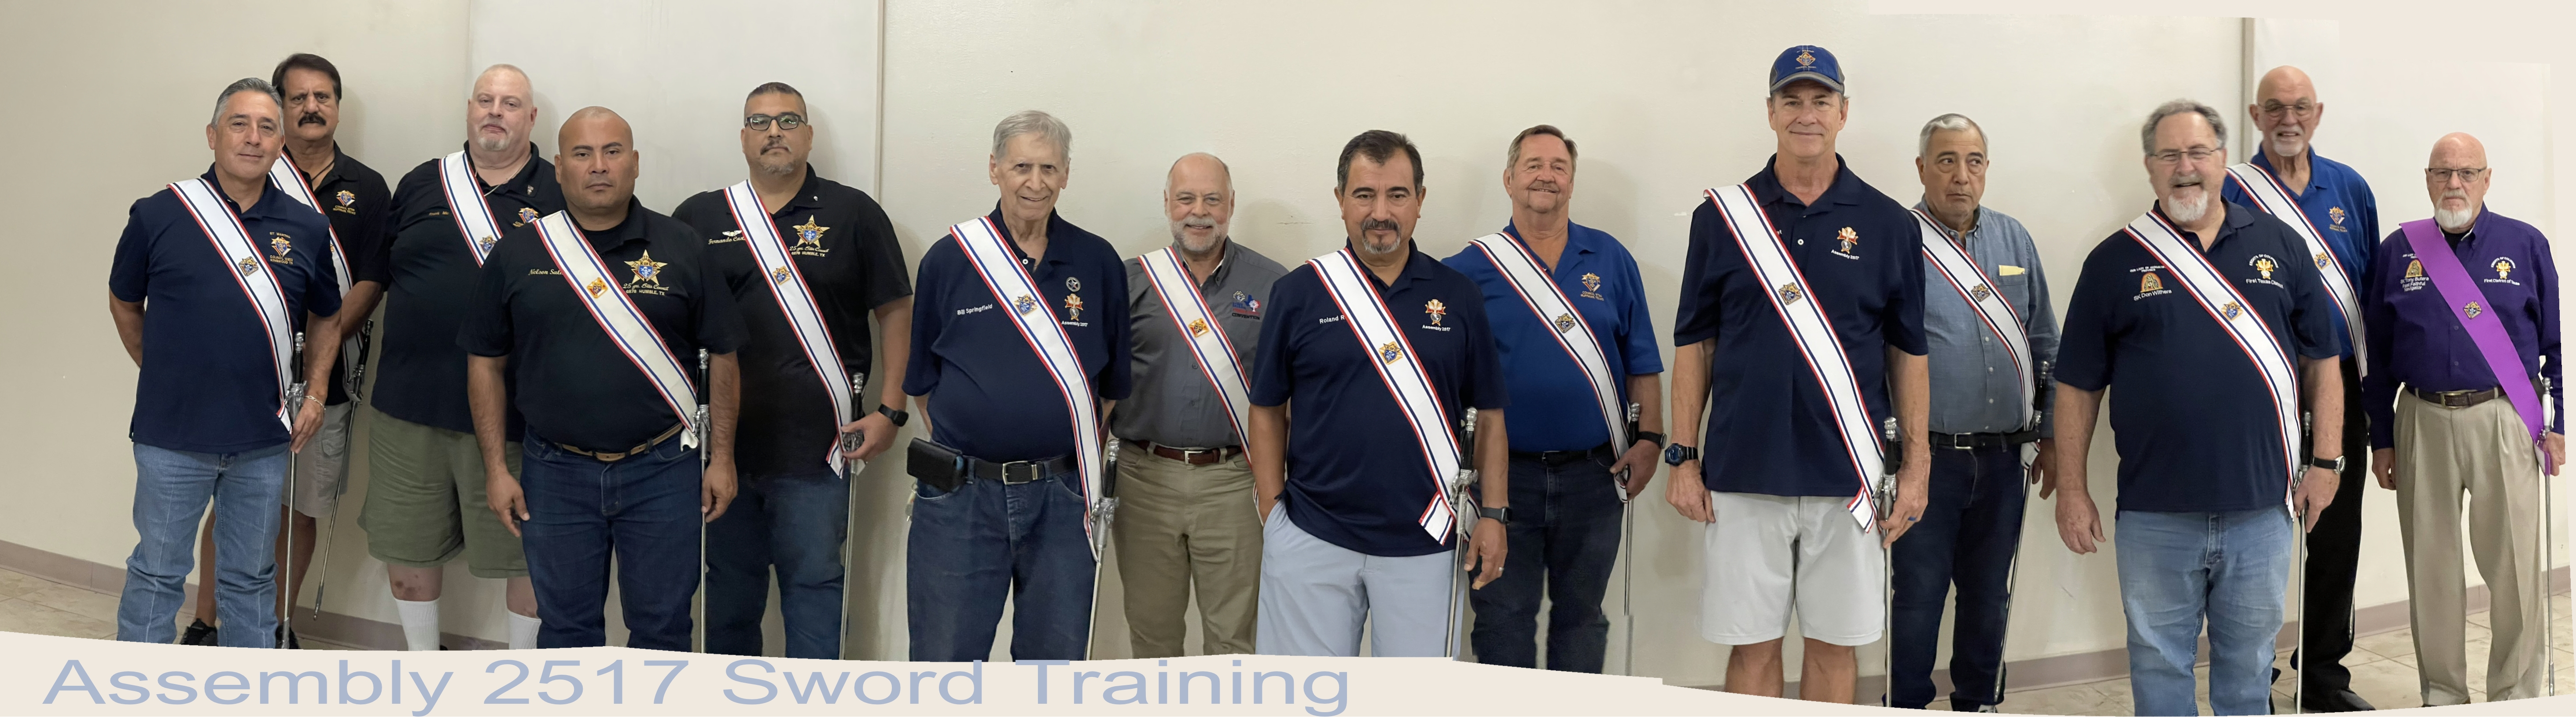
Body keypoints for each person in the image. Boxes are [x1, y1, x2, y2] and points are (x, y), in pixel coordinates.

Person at [2051, 99, 2344, 716]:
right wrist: (2073, 490)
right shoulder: (2113, 261)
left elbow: (2324, 362)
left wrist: (2328, 462)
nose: (2186, 168)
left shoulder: (2280, 245)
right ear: (2150, 167)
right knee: (2159, 669)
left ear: (2223, 160)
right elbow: (2077, 386)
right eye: (2170, 155)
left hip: (2262, 509)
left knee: (2247, 671)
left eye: (2200, 152)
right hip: (2156, 516)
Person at [1662, 45, 1930, 703]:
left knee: (1836, 646)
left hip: (1849, 475)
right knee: (1751, 647)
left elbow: (1909, 352)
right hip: (1743, 471)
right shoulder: (1722, 218)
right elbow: (1694, 345)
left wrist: (1918, 465)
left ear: (1843, 113)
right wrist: (1682, 457)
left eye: (1820, 101)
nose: (1806, 114)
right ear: (1771, 111)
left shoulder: (1891, 223)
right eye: (1792, 100)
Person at [461, 106, 746, 649]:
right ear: (560, 168)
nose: (598, 166)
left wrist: (724, 458)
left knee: (663, 629)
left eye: (612, 152)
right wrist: (496, 469)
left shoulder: (682, 246)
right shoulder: (520, 252)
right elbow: (485, 363)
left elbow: (725, 356)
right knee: (567, 631)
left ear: (634, 164)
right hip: (554, 472)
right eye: (583, 154)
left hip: (664, 470)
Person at [1248, 129, 1510, 658]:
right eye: (1364, 194)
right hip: (1312, 536)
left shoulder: (1456, 295)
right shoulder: (1298, 293)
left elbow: (1488, 416)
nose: (1380, 211)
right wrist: (1273, 508)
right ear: (1341, 200)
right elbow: (1267, 408)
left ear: (1419, 202)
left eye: (1397, 194)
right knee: (1304, 701)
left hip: (1426, 541)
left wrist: (1494, 513)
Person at [675, 81, 915, 660]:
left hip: (821, 446)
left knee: (815, 588)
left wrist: (891, 411)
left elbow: (897, 310)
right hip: (723, 450)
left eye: (788, 120)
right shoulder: (699, 216)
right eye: (759, 122)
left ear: (808, 135)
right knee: (729, 594)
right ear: (742, 138)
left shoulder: (853, 213)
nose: (774, 132)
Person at [107, 77, 344, 648]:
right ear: (214, 136)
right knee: (157, 575)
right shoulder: (159, 213)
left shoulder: (307, 228)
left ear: (280, 143)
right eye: (240, 124)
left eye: (268, 127)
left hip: (261, 443)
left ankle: (248, 696)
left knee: (249, 579)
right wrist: (160, 366)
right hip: (171, 439)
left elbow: (328, 318)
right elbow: (123, 301)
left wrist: (314, 395)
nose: (254, 138)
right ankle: (132, 695)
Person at [177, 53, 394, 649]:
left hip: (329, 377)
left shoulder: (369, 189)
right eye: (297, 98)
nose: (311, 107)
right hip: (246, 377)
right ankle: (208, 621)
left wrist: (319, 346)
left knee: (299, 508)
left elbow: (372, 281)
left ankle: (276, 626)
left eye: (323, 96)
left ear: (338, 107)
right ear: (277, 108)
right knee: (232, 500)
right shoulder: (243, 173)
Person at [902, 110, 1131, 661]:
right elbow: (923, 383)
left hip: (1063, 497)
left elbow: (1110, 388)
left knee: (1052, 670)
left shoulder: (1097, 261)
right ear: (994, 170)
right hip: (960, 496)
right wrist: (983, 439)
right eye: (1022, 166)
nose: (1036, 181)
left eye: (1049, 167)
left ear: (1066, 175)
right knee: (945, 665)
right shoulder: (951, 258)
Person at [1443, 125, 1663, 672]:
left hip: (1593, 474)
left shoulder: (1610, 258)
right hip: (1502, 481)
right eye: (1533, 164)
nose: (1546, 175)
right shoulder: (1466, 272)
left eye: (1558, 166)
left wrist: (1652, 441)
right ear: (1509, 178)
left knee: (1582, 617)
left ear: (1571, 181)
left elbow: (1642, 363)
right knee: (1501, 616)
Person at [361, 63, 556, 651]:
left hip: (517, 416)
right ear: (470, 109)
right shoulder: (422, 182)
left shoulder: (559, 191)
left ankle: (518, 680)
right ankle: (427, 671)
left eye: (511, 103)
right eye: (485, 100)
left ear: (531, 118)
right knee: (408, 550)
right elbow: (377, 274)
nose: (495, 111)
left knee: (528, 556)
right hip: (408, 406)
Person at [2363, 132, 2562, 706]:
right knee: (2431, 569)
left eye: (2467, 172)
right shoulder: (2398, 250)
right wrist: (2381, 436)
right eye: (2443, 173)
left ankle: (2516, 694)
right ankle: (2443, 695)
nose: (2455, 184)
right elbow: (2377, 351)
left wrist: (2560, 424)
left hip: (2505, 419)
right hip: (2421, 419)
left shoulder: (2524, 244)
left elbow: (2555, 345)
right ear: (2428, 179)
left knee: (2516, 571)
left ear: (2487, 178)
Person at [2216, 66, 2381, 712]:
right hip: (2263, 390)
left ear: (2319, 113)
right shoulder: (2231, 189)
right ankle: (2250, 676)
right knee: (2255, 544)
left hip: (2342, 386)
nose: (2290, 118)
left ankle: (2322, 678)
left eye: (2302, 107)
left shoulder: (2351, 189)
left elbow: (2367, 293)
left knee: (2337, 537)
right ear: (2256, 116)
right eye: (2276, 108)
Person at [1889, 113, 2058, 711]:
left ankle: (1979, 702)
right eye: (1946, 161)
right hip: (1925, 460)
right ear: (1921, 169)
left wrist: (2054, 438)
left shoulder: (2015, 240)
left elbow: (2045, 344)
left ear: (1987, 169)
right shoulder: (1897, 240)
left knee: (1990, 596)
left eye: (1974, 161)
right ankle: (1906, 703)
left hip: (2004, 459)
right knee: (1917, 597)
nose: (1961, 176)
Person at [1107, 152, 1286, 657]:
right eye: (1186, 198)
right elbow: (1099, 387)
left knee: (1234, 642)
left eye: (1212, 199)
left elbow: (1290, 393)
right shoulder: (1128, 282)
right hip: (1144, 481)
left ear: (1231, 205)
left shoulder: (1274, 285)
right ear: (1167, 204)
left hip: (1234, 482)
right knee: (1152, 638)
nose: (1198, 211)